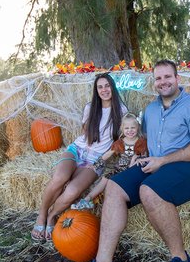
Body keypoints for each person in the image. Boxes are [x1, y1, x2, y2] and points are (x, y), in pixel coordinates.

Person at [62, 60, 190, 262]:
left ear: (177, 79)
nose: (163, 82)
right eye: (158, 78)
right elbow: (144, 142)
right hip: (155, 163)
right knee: (114, 185)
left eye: (167, 77)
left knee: (149, 191)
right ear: (154, 82)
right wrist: (139, 156)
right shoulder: (152, 110)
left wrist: (162, 161)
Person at [31, 73, 127, 241]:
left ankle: (51, 216)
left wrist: (100, 161)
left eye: (107, 86)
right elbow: (86, 134)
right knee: (60, 178)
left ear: (113, 87)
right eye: (100, 87)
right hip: (77, 150)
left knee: (73, 190)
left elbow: (122, 139)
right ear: (96, 90)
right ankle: (41, 215)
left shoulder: (122, 111)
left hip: (96, 160)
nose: (104, 90)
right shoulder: (90, 108)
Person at [71, 113, 148, 210]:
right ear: (122, 129)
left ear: (138, 127)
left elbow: (144, 156)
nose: (130, 131)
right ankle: (87, 199)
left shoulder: (141, 142)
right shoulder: (120, 142)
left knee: (115, 182)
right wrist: (95, 165)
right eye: (127, 128)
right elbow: (107, 154)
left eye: (133, 127)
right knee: (106, 178)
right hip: (120, 169)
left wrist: (138, 158)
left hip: (132, 170)